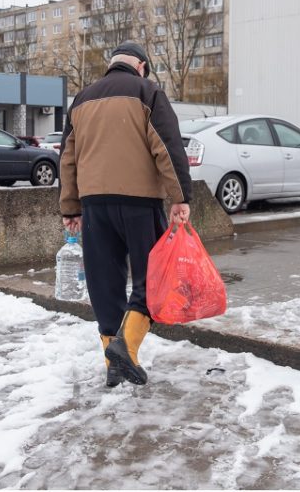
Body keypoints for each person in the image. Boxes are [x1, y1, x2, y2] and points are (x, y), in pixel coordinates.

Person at [59, 41, 192, 387]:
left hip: (93, 207)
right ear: (142, 66)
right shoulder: (147, 92)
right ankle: (126, 350)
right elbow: (167, 146)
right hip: (139, 204)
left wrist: (70, 207)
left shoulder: (82, 99)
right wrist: (180, 197)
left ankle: (113, 366)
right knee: (153, 281)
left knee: (105, 285)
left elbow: (67, 159)